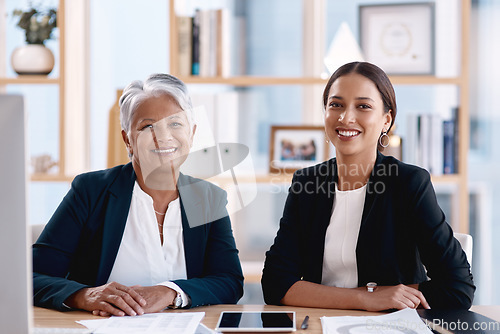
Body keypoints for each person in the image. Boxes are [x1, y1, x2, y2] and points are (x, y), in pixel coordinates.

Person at [261, 62, 475, 311]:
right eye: (336, 104)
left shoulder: (408, 183)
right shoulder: (307, 183)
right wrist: (366, 297)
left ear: (386, 120)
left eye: (363, 106)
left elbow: (457, 288)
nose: (346, 117)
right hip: (319, 324)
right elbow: (276, 283)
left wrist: (391, 297)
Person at [33, 73, 244, 316]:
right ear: (128, 139)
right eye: (148, 126)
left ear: (192, 133)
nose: (163, 136)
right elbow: (32, 276)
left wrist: (170, 292)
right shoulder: (90, 191)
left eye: (175, 124)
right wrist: (85, 296)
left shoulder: (210, 199)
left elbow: (229, 281)